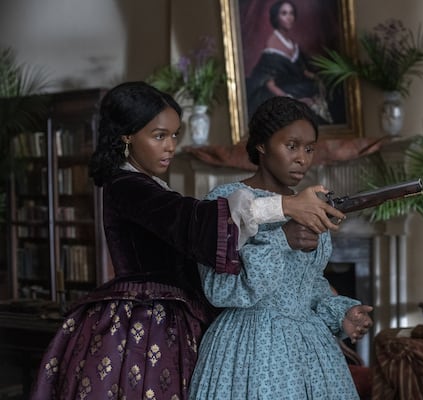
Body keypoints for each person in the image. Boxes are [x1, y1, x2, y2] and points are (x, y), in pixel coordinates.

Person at [29, 81, 346, 400]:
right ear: (127, 136)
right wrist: (284, 206)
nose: (170, 146)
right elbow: (190, 220)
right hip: (144, 320)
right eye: (159, 136)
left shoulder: (152, 185)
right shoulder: (125, 186)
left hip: (178, 315)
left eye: (174, 135)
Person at [188, 96, 373, 399]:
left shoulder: (312, 205)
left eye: (309, 148)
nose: (303, 158)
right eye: (291, 146)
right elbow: (218, 289)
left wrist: (341, 312)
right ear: (261, 145)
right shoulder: (226, 200)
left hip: (312, 352)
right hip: (249, 349)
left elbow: (309, 283)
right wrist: (281, 239)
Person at [245, 0, 332, 123]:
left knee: (319, 88)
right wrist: (291, 99)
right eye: (284, 13)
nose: (289, 17)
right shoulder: (272, 45)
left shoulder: (292, 43)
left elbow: (302, 69)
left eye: (291, 13)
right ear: (276, 17)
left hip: (296, 86)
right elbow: (270, 84)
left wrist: (318, 78)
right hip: (277, 92)